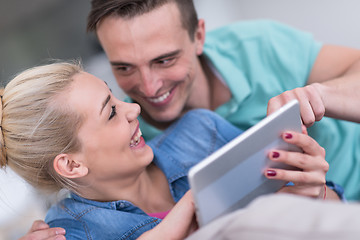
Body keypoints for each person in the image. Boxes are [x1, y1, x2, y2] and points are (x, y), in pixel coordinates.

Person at [1, 62, 335, 240]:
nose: (132, 109)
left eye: (115, 96)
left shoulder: (201, 132)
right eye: (112, 112)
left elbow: (335, 210)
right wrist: (191, 205)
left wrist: (315, 193)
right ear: (72, 165)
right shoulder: (68, 232)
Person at [86, 0, 360, 202]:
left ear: (199, 37)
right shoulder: (130, 140)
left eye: (164, 60)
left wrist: (319, 95)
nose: (148, 87)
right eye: (124, 68)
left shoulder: (258, 45)